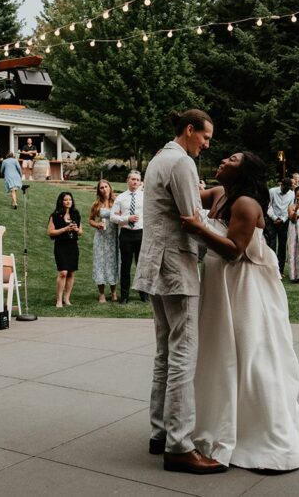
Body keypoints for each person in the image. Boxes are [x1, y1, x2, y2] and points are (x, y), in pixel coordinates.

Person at [181, 151, 299, 472]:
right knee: (219, 354)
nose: (223, 159)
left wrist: (198, 228)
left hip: (244, 287)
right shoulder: (221, 194)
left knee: (249, 354)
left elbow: (234, 252)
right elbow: (190, 193)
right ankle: (215, 422)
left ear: (245, 171)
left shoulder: (246, 204)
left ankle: (260, 435)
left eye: (232, 159)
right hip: (220, 283)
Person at [133, 109, 222, 474]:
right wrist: (227, 237)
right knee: (184, 354)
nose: (206, 145)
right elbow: (192, 218)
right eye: (205, 138)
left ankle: (159, 433)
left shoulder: (159, 158)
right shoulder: (182, 163)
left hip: (154, 263)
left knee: (164, 353)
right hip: (175, 267)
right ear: (190, 130)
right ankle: (180, 446)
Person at [111, 170, 146, 303]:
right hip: (126, 235)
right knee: (125, 266)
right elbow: (113, 217)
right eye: (133, 179)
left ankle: (144, 295)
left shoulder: (144, 197)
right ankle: (124, 296)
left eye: (137, 180)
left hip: (141, 234)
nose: (135, 182)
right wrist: (127, 218)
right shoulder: (120, 198)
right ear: (128, 181)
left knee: (141, 265)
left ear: (140, 182)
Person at [48, 191, 83, 308]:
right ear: (61, 201)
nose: (68, 201)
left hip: (73, 245)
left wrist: (77, 229)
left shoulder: (76, 214)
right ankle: (58, 299)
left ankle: (66, 298)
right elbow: (50, 232)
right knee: (63, 272)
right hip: (61, 246)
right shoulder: (55, 215)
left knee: (71, 272)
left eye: (70, 199)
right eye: (65, 200)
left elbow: (81, 232)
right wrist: (65, 229)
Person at [89, 179, 119, 303]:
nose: (104, 189)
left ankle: (113, 292)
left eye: (106, 186)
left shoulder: (117, 202)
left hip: (114, 237)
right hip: (101, 237)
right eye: (101, 187)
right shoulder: (96, 204)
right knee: (100, 263)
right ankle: (101, 293)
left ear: (110, 188)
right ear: (99, 190)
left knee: (113, 263)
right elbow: (90, 219)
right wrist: (97, 224)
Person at [265, 179, 294, 276]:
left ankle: (280, 270)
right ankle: (271, 269)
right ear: (281, 185)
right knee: (271, 244)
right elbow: (268, 206)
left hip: (284, 222)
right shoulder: (272, 191)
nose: (286, 190)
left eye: (288, 189)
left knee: (282, 246)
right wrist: (274, 218)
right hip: (271, 220)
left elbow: (290, 208)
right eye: (285, 188)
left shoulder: (292, 194)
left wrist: (283, 219)